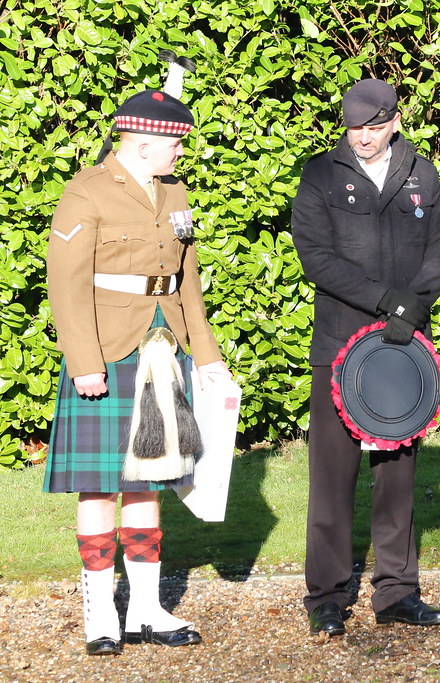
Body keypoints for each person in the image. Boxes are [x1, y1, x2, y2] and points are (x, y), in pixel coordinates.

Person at [45, 54, 231, 656]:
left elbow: (187, 279)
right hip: (108, 349)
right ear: (146, 141)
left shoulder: (173, 190)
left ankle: (147, 610)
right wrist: (85, 363)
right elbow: (66, 285)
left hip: (161, 348)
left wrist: (205, 355)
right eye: (174, 145)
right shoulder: (87, 192)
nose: (181, 154)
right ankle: (102, 615)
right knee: (99, 488)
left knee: (149, 483)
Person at [291, 78, 440, 636]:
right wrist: (385, 300)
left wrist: (413, 306)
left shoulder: (422, 173)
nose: (362, 137)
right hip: (340, 344)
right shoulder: (319, 174)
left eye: (374, 126)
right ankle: (327, 597)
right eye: (354, 127)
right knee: (332, 478)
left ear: (395, 121)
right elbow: (316, 258)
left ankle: (397, 592)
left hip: (405, 348)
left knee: (397, 477)